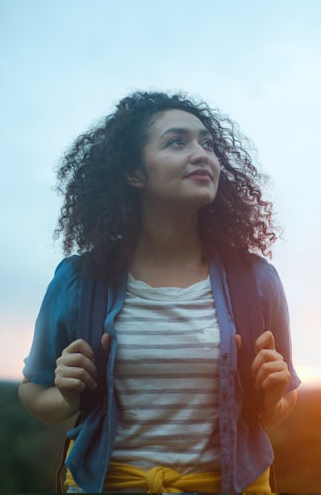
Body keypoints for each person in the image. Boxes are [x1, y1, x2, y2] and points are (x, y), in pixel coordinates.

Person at [18, 91, 300, 493]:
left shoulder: (257, 281)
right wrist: (64, 399)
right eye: (177, 142)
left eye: (208, 143)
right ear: (135, 172)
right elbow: (32, 388)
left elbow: (282, 402)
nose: (202, 153)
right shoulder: (80, 279)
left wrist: (273, 398)